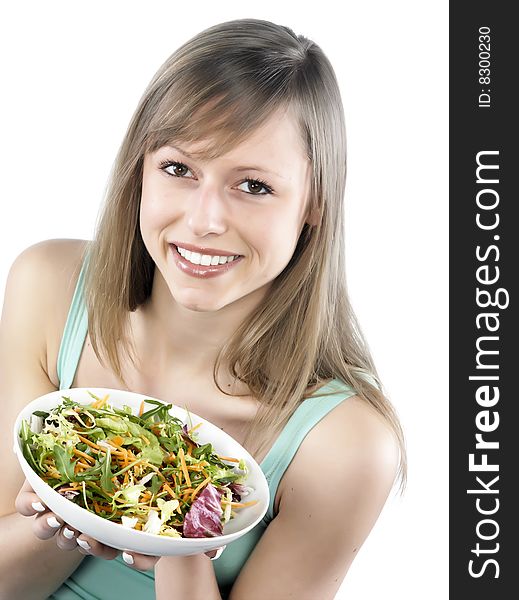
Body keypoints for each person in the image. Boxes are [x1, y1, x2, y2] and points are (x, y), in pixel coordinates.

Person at [0, 17, 406, 600]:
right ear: (140, 169)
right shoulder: (48, 287)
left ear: (314, 202)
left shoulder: (347, 444)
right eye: (178, 169)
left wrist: (179, 544)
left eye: (254, 186)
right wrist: (73, 511)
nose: (204, 220)